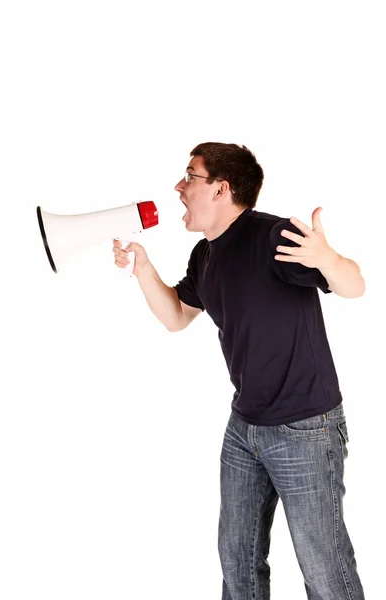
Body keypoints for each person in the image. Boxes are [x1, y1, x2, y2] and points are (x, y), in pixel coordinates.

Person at [112, 142, 366, 600]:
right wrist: (143, 268)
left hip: (304, 427)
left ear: (221, 188)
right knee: (238, 562)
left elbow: (354, 285)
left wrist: (327, 259)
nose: (179, 186)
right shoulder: (204, 255)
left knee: (324, 566)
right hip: (244, 427)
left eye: (190, 176)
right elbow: (175, 316)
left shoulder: (273, 237)